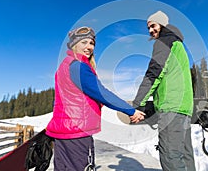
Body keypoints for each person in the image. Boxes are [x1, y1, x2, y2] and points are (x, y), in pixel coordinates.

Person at [46, 26, 145, 171]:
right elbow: (102, 93)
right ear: (74, 44)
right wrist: (130, 111)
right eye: (84, 42)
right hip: (77, 132)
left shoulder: (64, 66)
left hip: (64, 132)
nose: (89, 47)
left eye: (91, 43)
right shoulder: (78, 67)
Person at [133, 11, 196, 171]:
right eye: (148, 27)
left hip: (171, 108)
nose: (150, 30)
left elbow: (154, 73)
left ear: (162, 24)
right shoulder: (178, 44)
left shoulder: (164, 42)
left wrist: (138, 104)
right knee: (184, 154)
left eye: (153, 25)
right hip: (183, 108)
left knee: (170, 157)